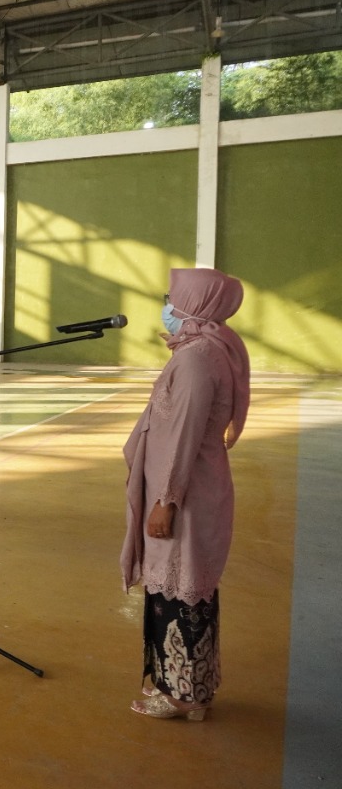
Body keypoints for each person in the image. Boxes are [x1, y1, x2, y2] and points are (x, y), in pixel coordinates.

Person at [120, 267, 250, 722]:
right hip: (193, 490)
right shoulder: (210, 349)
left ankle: (182, 696)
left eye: (172, 300)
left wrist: (165, 502)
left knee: (178, 593)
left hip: (185, 499)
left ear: (194, 305)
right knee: (187, 589)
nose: (167, 308)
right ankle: (192, 690)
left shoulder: (197, 359)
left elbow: (184, 437)